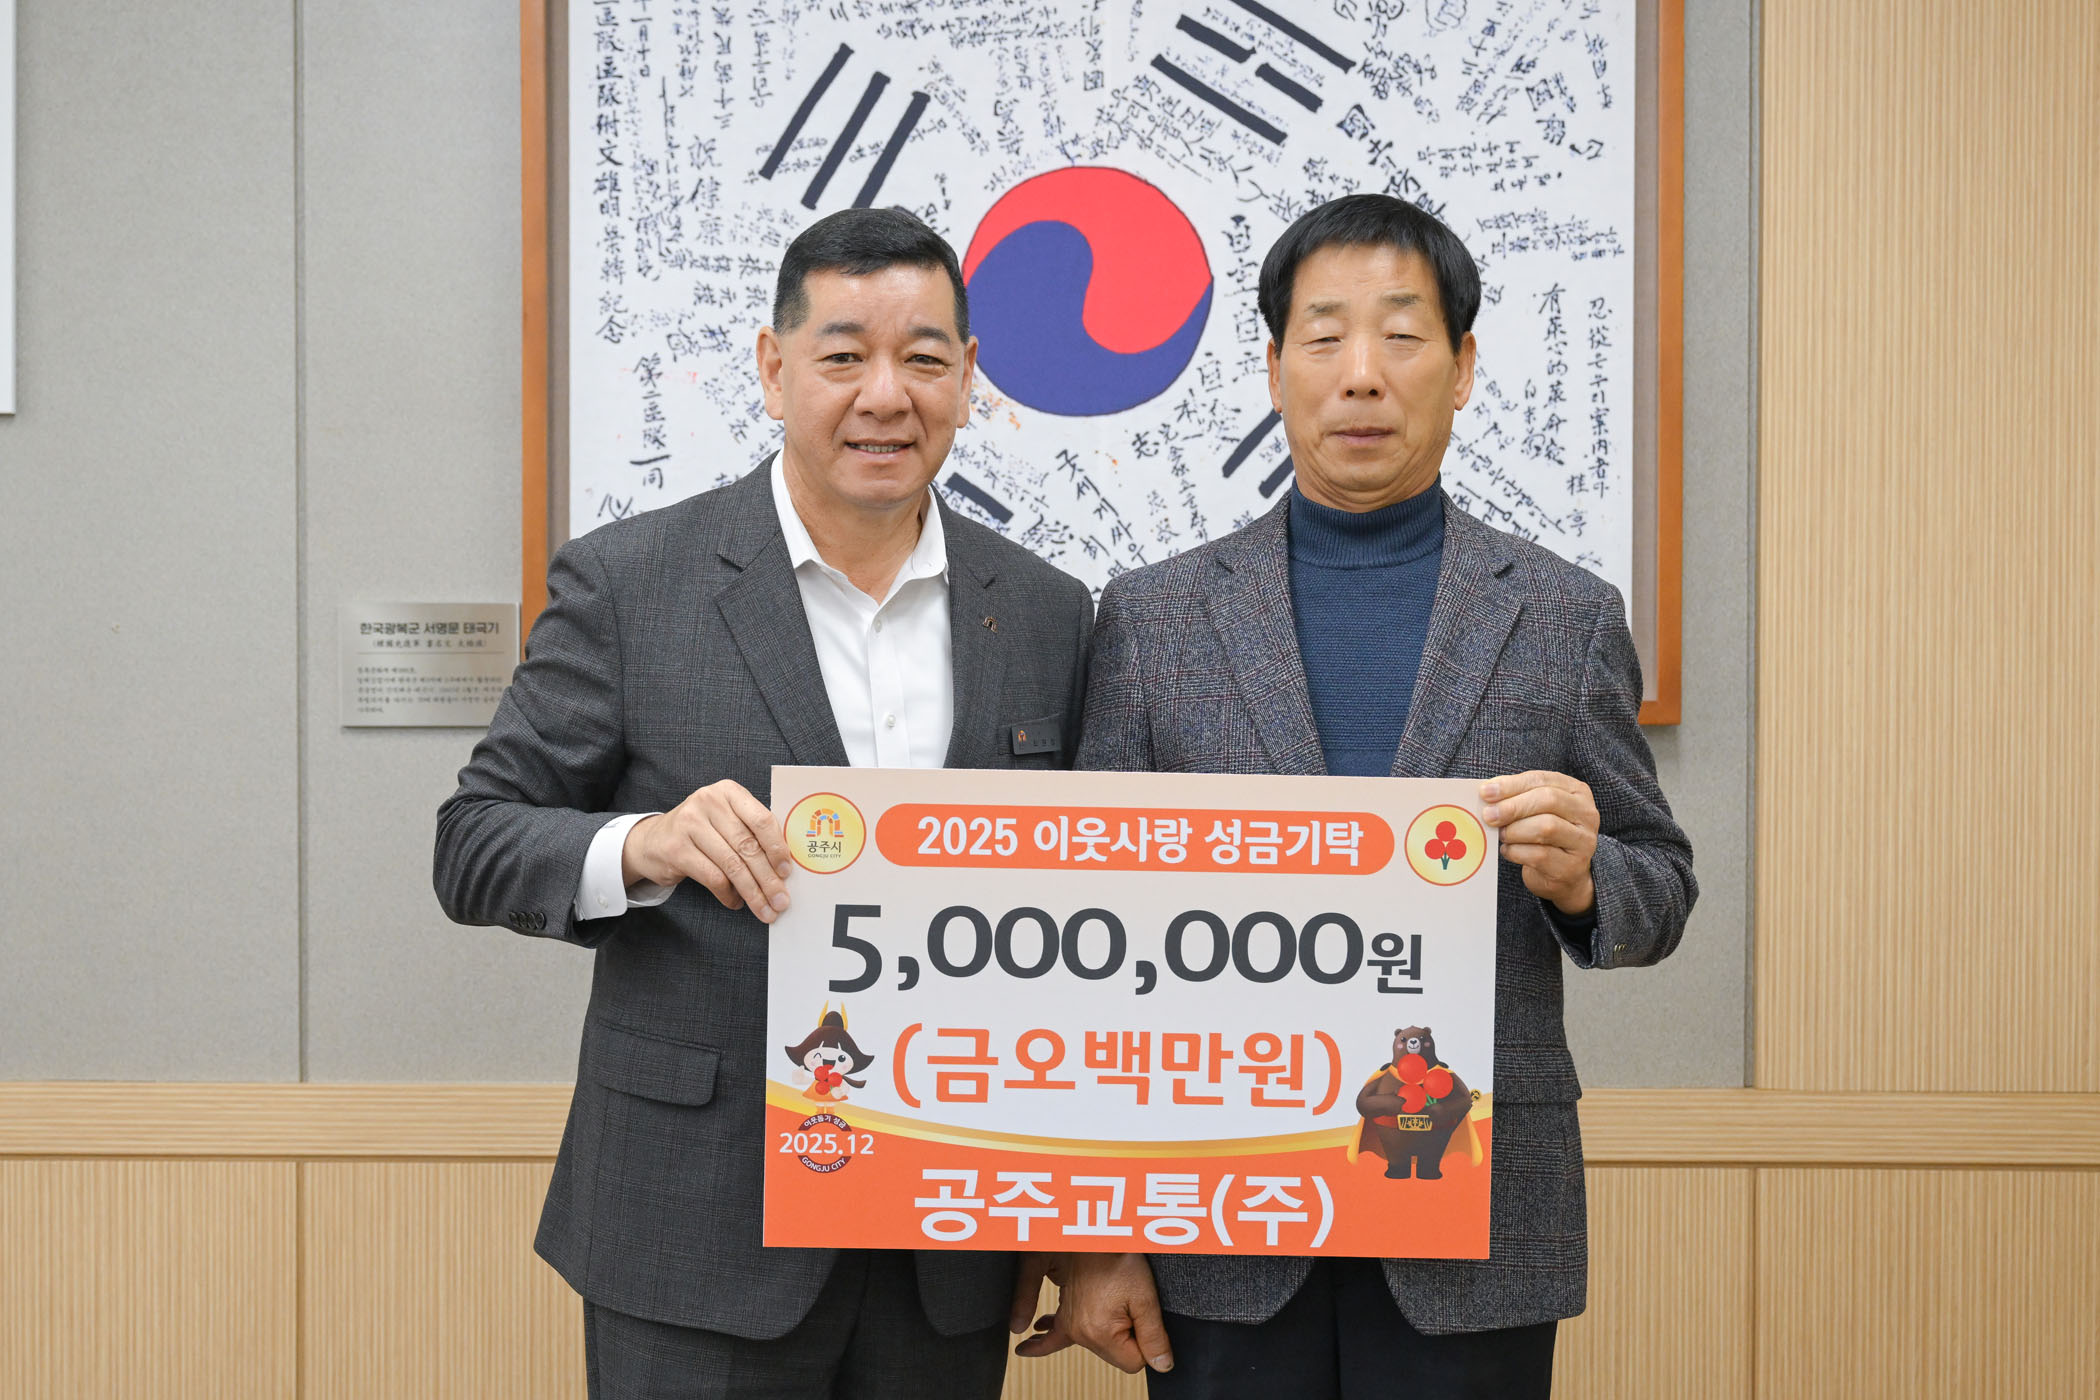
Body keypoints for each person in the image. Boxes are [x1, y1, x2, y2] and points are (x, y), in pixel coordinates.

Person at [1013, 193, 1697, 1398]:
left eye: (1403, 334)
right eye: (1325, 337)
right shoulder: (1155, 616)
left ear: (1463, 366)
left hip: (1471, 1213)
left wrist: (1589, 875)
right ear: (1275, 369)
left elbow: (1660, 887)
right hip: (1219, 1214)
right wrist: (1096, 1232)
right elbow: (1084, 935)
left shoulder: (1564, 614)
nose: (1363, 374)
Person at [434, 206, 1093, 1400]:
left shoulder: (1048, 612)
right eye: (844, 356)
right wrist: (647, 843)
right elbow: (474, 840)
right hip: (695, 1222)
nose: (885, 394)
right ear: (774, 368)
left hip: (945, 1235)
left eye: (923, 358)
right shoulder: (632, 583)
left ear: (968, 377)